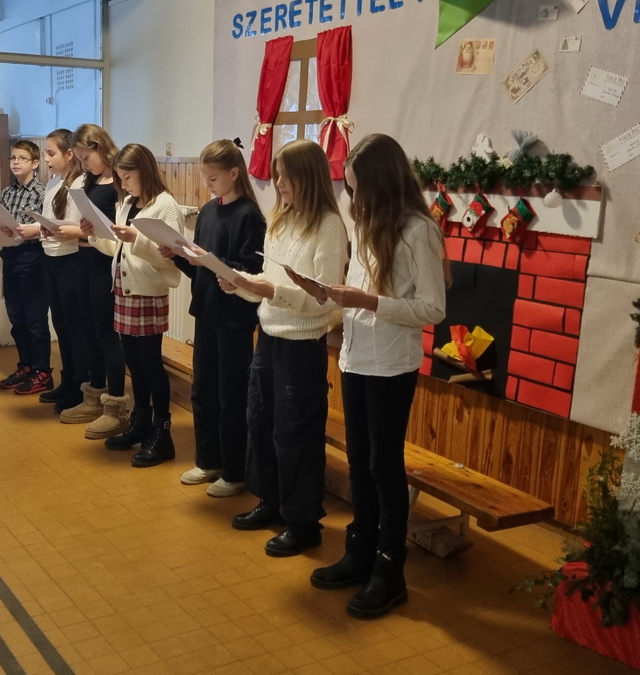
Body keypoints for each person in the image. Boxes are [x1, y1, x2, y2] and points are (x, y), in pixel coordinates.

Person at [301, 134, 447, 619]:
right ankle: (359, 552)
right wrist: (333, 296)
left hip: (391, 365)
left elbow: (432, 308)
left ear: (384, 183)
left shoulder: (419, 230)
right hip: (356, 358)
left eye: (359, 187)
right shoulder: (366, 222)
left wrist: (368, 301)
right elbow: (362, 290)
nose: (354, 197)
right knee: (359, 462)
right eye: (350, 187)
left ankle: (390, 571)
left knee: (384, 466)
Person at [220, 139, 347, 557]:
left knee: (295, 433)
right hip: (270, 336)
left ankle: (303, 521)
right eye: (276, 175)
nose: (278, 183)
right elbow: (268, 283)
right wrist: (241, 285)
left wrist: (269, 290)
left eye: (285, 176)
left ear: (308, 177)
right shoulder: (280, 219)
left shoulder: (329, 225)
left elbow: (324, 299)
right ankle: (271, 501)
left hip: (302, 345)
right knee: (259, 422)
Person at [164, 139, 266, 496]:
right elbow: (201, 271)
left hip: (234, 317)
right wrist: (179, 256)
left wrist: (210, 260)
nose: (207, 184)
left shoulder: (249, 215)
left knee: (231, 394)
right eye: (205, 178)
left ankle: (234, 470)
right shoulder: (208, 211)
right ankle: (208, 460)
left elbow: (252, 271)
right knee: (203, 389)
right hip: (206, 310)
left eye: (212, 178)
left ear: (234, 173)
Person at [82, 143, 183, 467]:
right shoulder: (127, 202)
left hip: (148, 292)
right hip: (124, 290)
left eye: (128, 177)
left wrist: (136, 240)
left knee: (151, 363)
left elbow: (173, 259)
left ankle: (162, 432)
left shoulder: (165, 205)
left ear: (145, 171)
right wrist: (94, 235)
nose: (124, 185)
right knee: (134, 363)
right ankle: (140, 421)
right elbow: (117, 248)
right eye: (120, 178)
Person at [60, 124, 128, 440]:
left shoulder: (119, 182)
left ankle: (115, 406)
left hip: (105, 263)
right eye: (80, 159)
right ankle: (94, 396)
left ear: (100, 147)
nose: (84, 164)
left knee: (106, 334)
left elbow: (120, 226)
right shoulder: (91, 179)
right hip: (84, 259)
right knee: (89, 330)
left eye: (87, 157)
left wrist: (92, 231)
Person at [23, 129, 85, 411]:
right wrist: (38, 228)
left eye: (51, 153)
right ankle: (67, 379)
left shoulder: (79, 183)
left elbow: (74, 226)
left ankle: (79, 384)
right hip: (50, 258)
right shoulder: (52, 183)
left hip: (70, 261)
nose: (46, 159)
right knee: (59, 324)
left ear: (69, 154)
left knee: (74, 326)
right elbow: (51, 222)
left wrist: (41, 229)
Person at [0, 141, 52, 395]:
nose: (15, 162)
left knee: (35, 319)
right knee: (17, 318)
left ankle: (42, 371)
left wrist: (32, 231)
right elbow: (3, 223)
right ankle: (25, 366)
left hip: (33, 258)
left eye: (22, 158)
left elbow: (46, 227)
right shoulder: (7, 192)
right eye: (13, 158)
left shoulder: (42, 193)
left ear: (35, 163)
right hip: (10, 256)